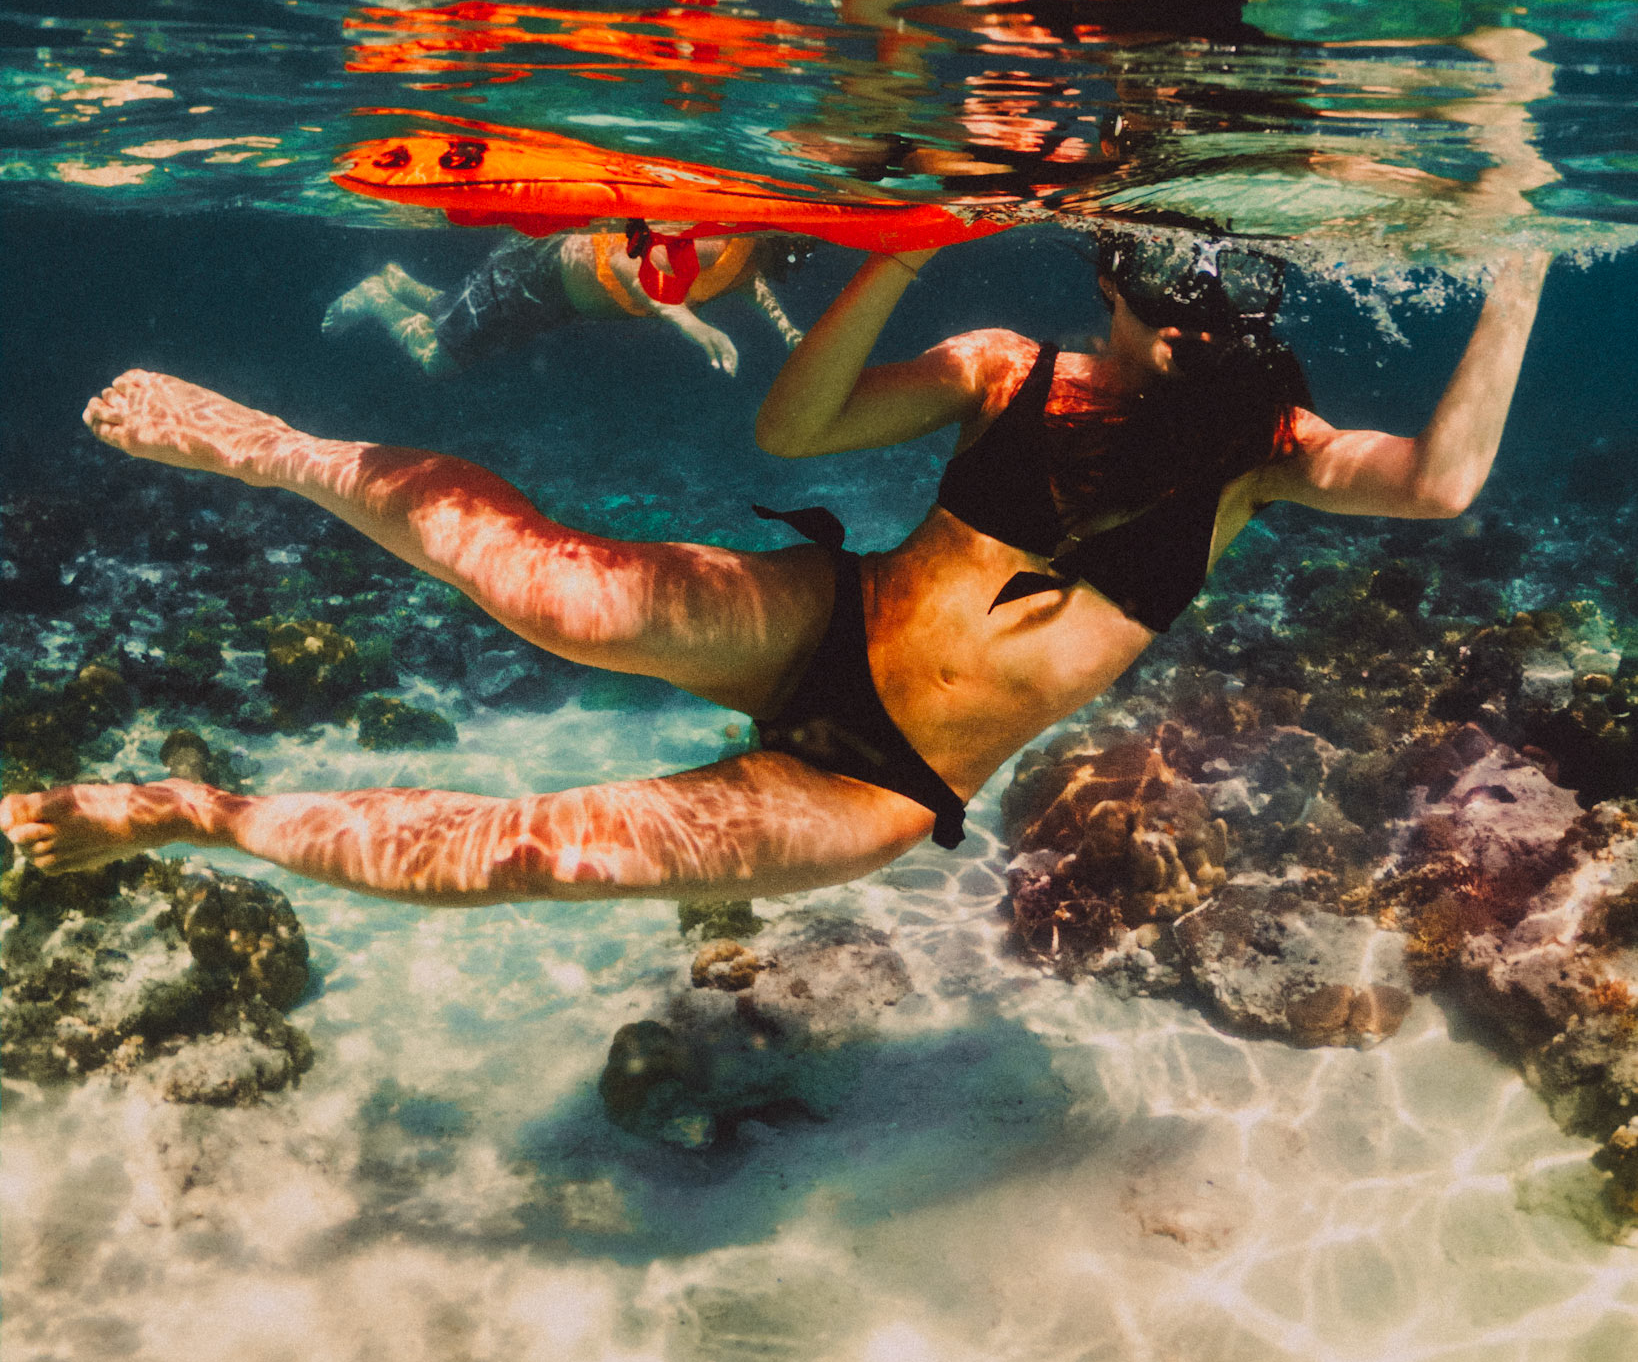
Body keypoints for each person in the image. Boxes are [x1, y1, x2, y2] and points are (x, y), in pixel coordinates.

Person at [0, 235, 1550, 907]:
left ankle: (196, 816)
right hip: (827, 616)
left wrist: (1521, 269)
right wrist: (899, 257)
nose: (1200, 314)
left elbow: (1439, 483)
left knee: (542, 854)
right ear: (1110, 273)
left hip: (875, 785)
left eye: (1237, 289)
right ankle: (280, 450)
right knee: (542, 584)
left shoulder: (1268, 444)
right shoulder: (1005, 366)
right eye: (1166, 276)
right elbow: (796, 430)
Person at [321, 232, 808, 379]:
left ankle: (398, 282)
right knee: (439, 360)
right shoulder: (718, 241)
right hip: (538, 272)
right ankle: (376, 295)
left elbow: (748, 284)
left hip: (556, 296)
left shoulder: (747, 256)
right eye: (801, 249)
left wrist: (790, 333)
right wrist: (688, 323)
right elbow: (624, 260)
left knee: (457, 315)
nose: (801, 258)